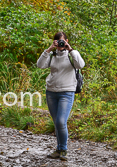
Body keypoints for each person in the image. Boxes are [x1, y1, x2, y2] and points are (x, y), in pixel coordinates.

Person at [37, 31, 85, 161]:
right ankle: (59, 149)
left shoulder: (72, 54)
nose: (60, 44)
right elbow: (40, 65)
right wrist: (49, 49)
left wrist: (70, 49)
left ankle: (63, 149)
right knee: (57, 122)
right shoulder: (52, 55)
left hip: (66, 92)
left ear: (67, 41)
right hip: (51, 92)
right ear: (55, 42)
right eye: (58, 42)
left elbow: (80, 65)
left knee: (60, 121)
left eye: (62, 41)